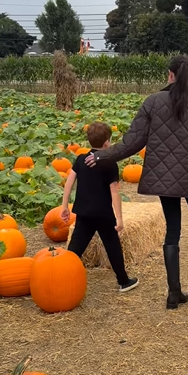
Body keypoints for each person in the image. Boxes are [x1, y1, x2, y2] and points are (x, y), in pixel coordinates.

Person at [85, 56, 188, 310]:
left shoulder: (152, 102)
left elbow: (132, 143)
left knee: (172, 230)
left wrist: (100, 154)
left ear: (169, 75)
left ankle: (174, 293)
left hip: (165, 180)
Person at [60, 122, 138, 293]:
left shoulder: (80, 159)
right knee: (112, 246)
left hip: (84, 212)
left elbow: (69, 182)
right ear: (106, 143)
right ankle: (123, 281)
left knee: (75, 249)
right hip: (103, 214)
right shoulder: (109, 163)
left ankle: (60, 278)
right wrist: (119, 217)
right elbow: (114, 192)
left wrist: (64, 205)